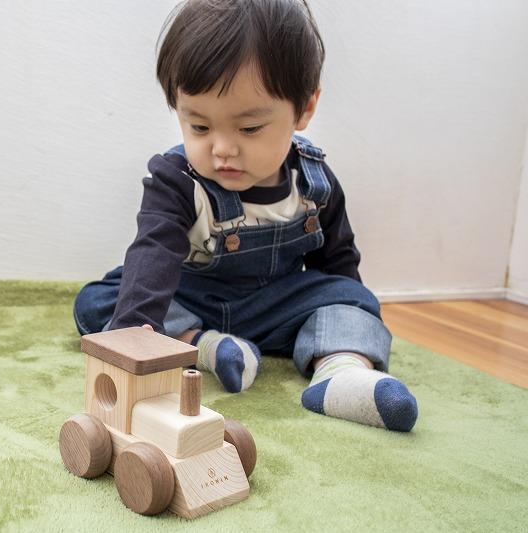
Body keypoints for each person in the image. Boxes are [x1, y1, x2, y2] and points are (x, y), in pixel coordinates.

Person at [73, 0, 418, 432]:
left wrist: (348, 314)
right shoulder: (177, 180)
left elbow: (337, 259)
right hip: (190, 298)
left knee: (353, 298)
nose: (222, 149)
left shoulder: (314, 183)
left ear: (304, 109)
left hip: (276, 305)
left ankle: (342, 372)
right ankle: (202, 347)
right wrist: (129, 343)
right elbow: (153, 254)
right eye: (199, 127)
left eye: (249, 129)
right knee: (100, 300)